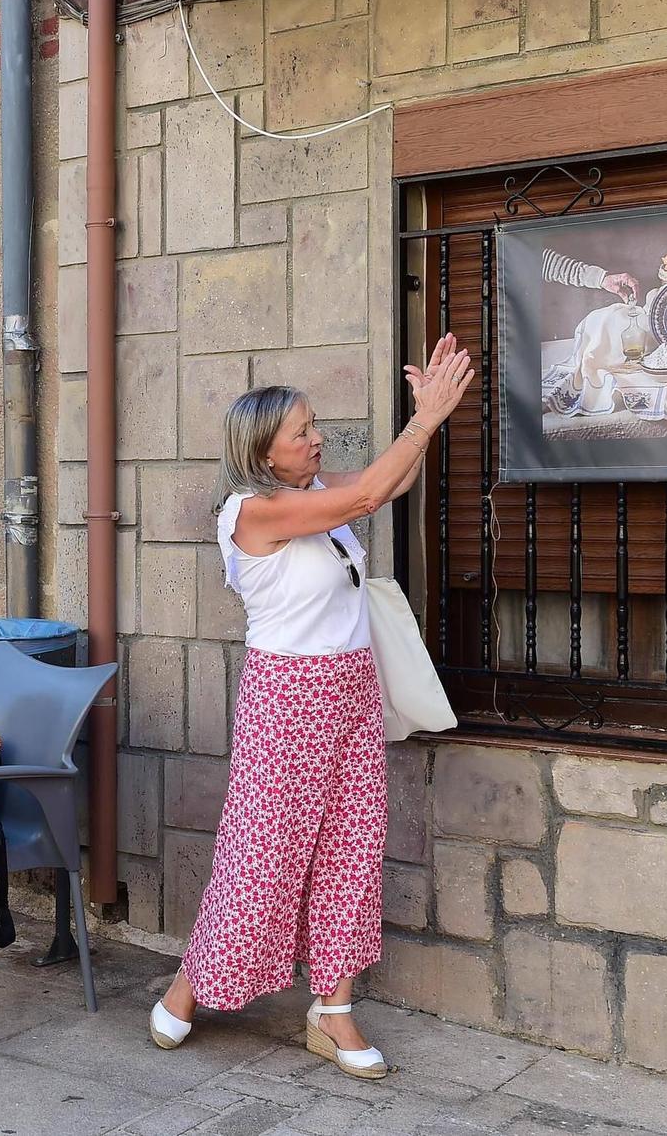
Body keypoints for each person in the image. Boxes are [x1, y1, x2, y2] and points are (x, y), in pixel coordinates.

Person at [150, 336, 474, 1079]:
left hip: (350, 687)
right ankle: (193, 980)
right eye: (302, 431)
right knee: (261, 856)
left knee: (351, 848)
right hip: (288, 697)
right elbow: (367, 496)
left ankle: (333, 1010)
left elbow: (386, 481)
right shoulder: (253, 512)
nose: (317, 437)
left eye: (313, 424)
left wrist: (433, 416)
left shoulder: (315, 496)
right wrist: (422, 420)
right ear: (264, 453)